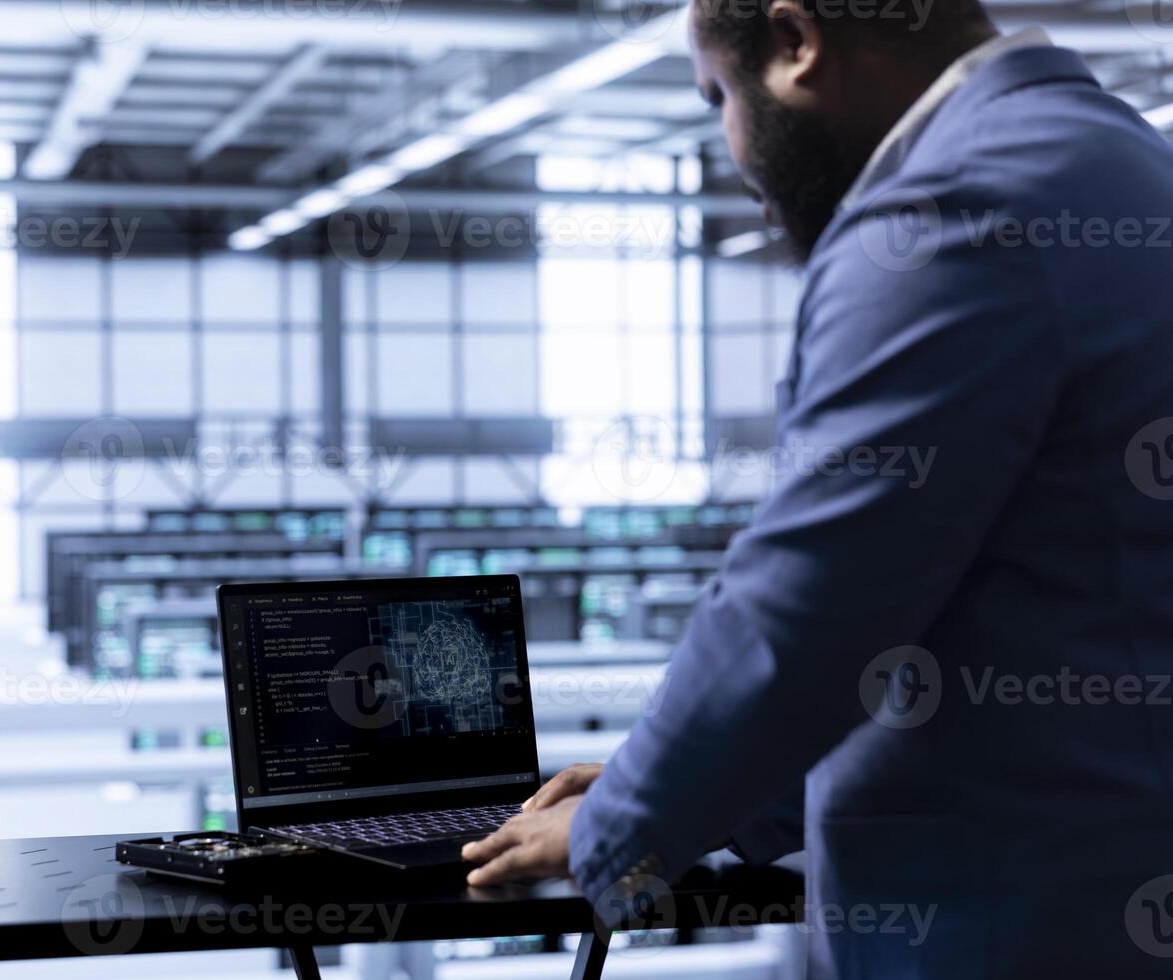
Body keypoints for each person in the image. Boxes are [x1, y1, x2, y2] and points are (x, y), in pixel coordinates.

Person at [461, 0, 1173, 975]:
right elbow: (948, 620)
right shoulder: (1119, 161)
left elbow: (806, 610)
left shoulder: (948, 211)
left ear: (796, 46)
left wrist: (619, 826)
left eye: (720, 97)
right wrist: (690, 791)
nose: (730, 146)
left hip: (1024, 923)